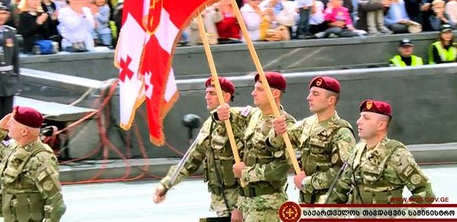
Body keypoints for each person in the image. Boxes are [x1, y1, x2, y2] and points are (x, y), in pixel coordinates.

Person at [153, 77, 247, 219]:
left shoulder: (241, 120)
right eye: (206, 92)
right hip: (221, 202)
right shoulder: (209, 125)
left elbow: (250, 164)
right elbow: (191, 159)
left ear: (226, 96)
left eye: (212, 93)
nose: (206, 97)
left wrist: (240, 206)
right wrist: (166, 185)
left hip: (240, 203)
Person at [322, 100, 435, 204]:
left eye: (366, 118)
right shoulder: (357, 151)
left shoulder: (397, 155)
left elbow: (425, 193)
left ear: (381, 125)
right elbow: (340, 189)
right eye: (360, 117)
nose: (358, 122)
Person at [218, 72, 296, 222]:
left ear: (275, 93)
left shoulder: (285, 124)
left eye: (260, 89)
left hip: (267, 204)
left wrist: (246, 173)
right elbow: (226, 113)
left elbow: (281, 167)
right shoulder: (254, 115)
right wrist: (220, 113)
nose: (253, 93)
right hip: (247, 201)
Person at [269, 76, 356, 204]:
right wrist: (277, 132)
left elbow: (344, 173)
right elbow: (280, 142)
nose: (309, 98)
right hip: (305, 201)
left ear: (331, 100)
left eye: (315, 94)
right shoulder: (307, 124)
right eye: (310, 93)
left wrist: (307, 182)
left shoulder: (341, 131)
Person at [0, 106, 66, 221]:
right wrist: (0, 128)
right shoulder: (13, 148)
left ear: (24, 131)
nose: (8, 123)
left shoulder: (40, 158)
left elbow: (56, 202)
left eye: (13, 122)